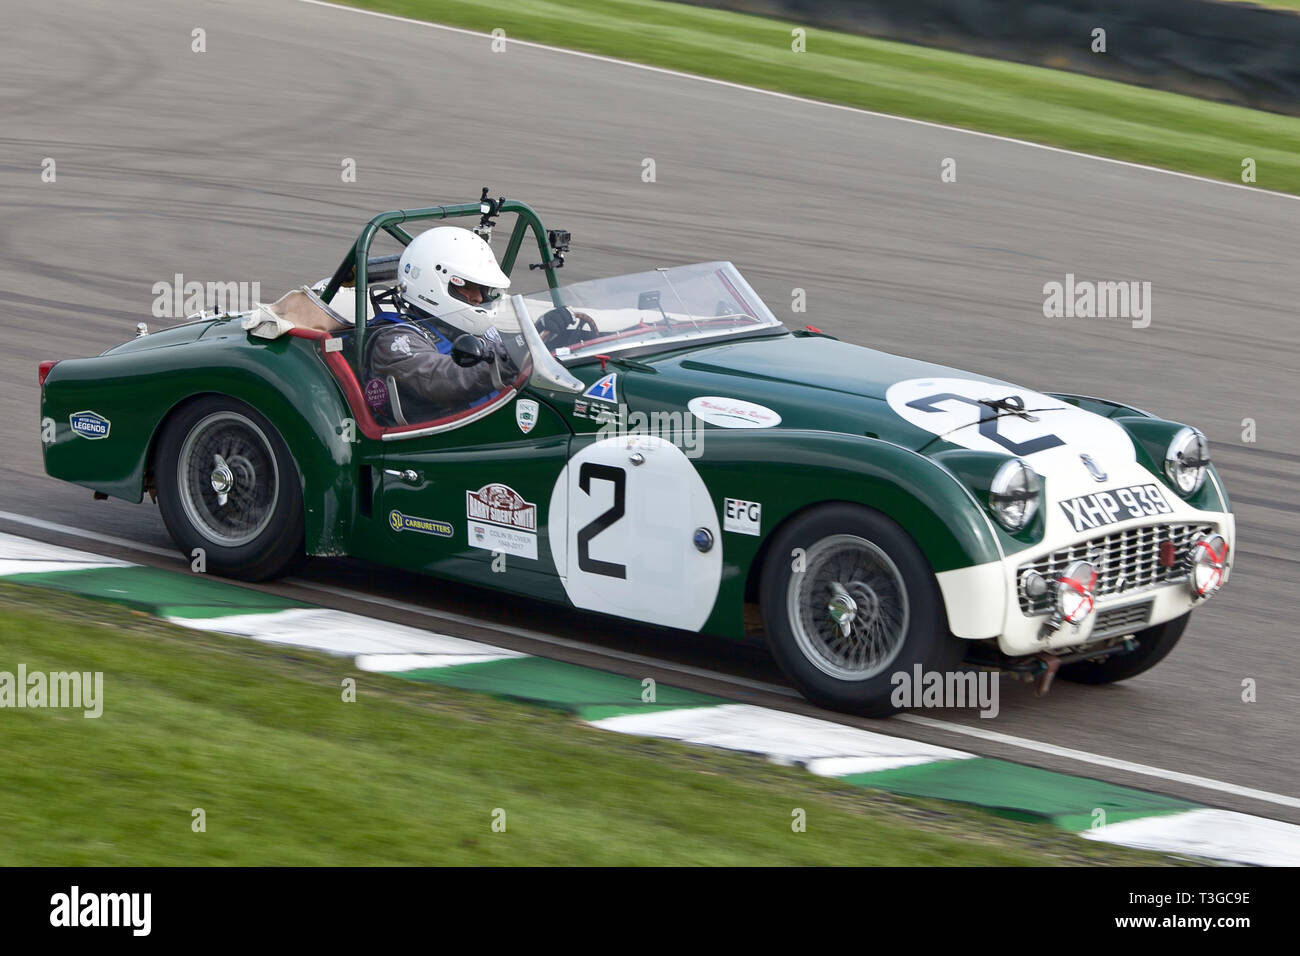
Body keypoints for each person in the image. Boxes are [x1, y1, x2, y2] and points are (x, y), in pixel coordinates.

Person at [364, 227, 517, 423]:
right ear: (432, 282)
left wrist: (542, 336)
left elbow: (515, 346)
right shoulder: (394, 340)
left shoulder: (473, 330)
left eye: (483, 289)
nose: (479, 298)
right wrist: (507, 359)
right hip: (444, 444)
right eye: (466, 286)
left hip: (492, 426)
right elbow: (441, 380)